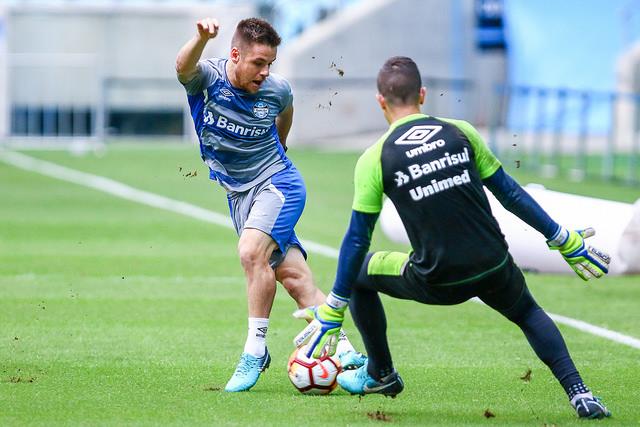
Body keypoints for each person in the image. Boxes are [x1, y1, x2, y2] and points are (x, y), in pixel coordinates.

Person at [295, 56, 612, 419]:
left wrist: (335, 304)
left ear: (380, 100)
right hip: (493, 264)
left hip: (437, 278)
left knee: (362, 274)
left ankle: (381, 374)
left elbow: (357, 238)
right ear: (423, 95)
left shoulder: (376, 157)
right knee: (527, 311)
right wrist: (561, 237)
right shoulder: (461, 130)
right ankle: (580, 393)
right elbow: (510, 193)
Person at [175, 17, 364, 392]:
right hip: (239, 195)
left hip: (278, 184)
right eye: (258, 63)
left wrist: (280, 147)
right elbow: (183, 68)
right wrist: (199, 38)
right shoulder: (209, 80)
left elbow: (286, 107)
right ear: (234, 55)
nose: (265, 72)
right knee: (294, 278)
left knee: (250, 252)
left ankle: (254, 351)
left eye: (270, 64)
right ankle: (347, 353)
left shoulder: (277, 90)